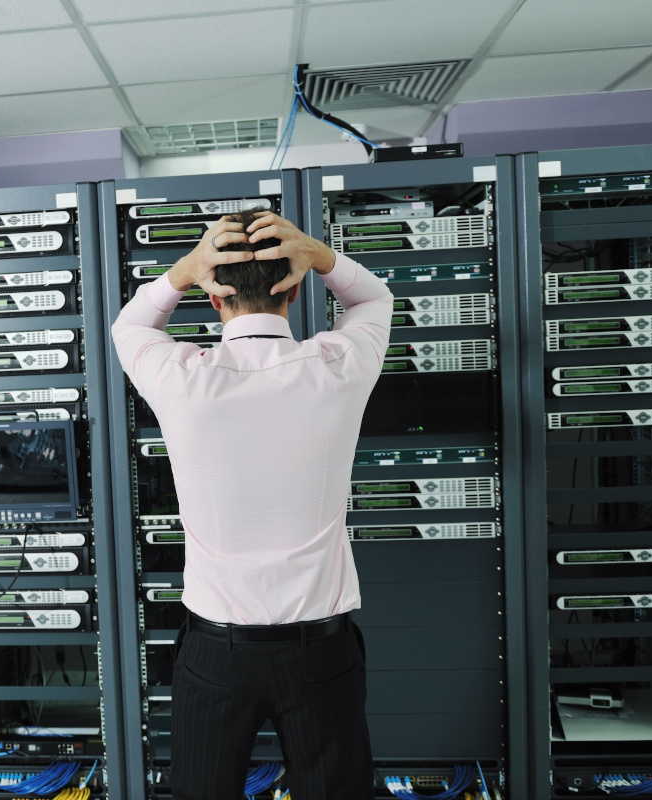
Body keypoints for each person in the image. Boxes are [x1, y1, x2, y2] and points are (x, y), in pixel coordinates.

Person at [111, 208, 394, 799]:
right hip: (321, 649)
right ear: (293, 290)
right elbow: (374, 301)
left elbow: (129, 327)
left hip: (217, 653)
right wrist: (322, 256)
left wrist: (186, 269)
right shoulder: (336, 366)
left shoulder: (182, 376)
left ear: (215, 298)